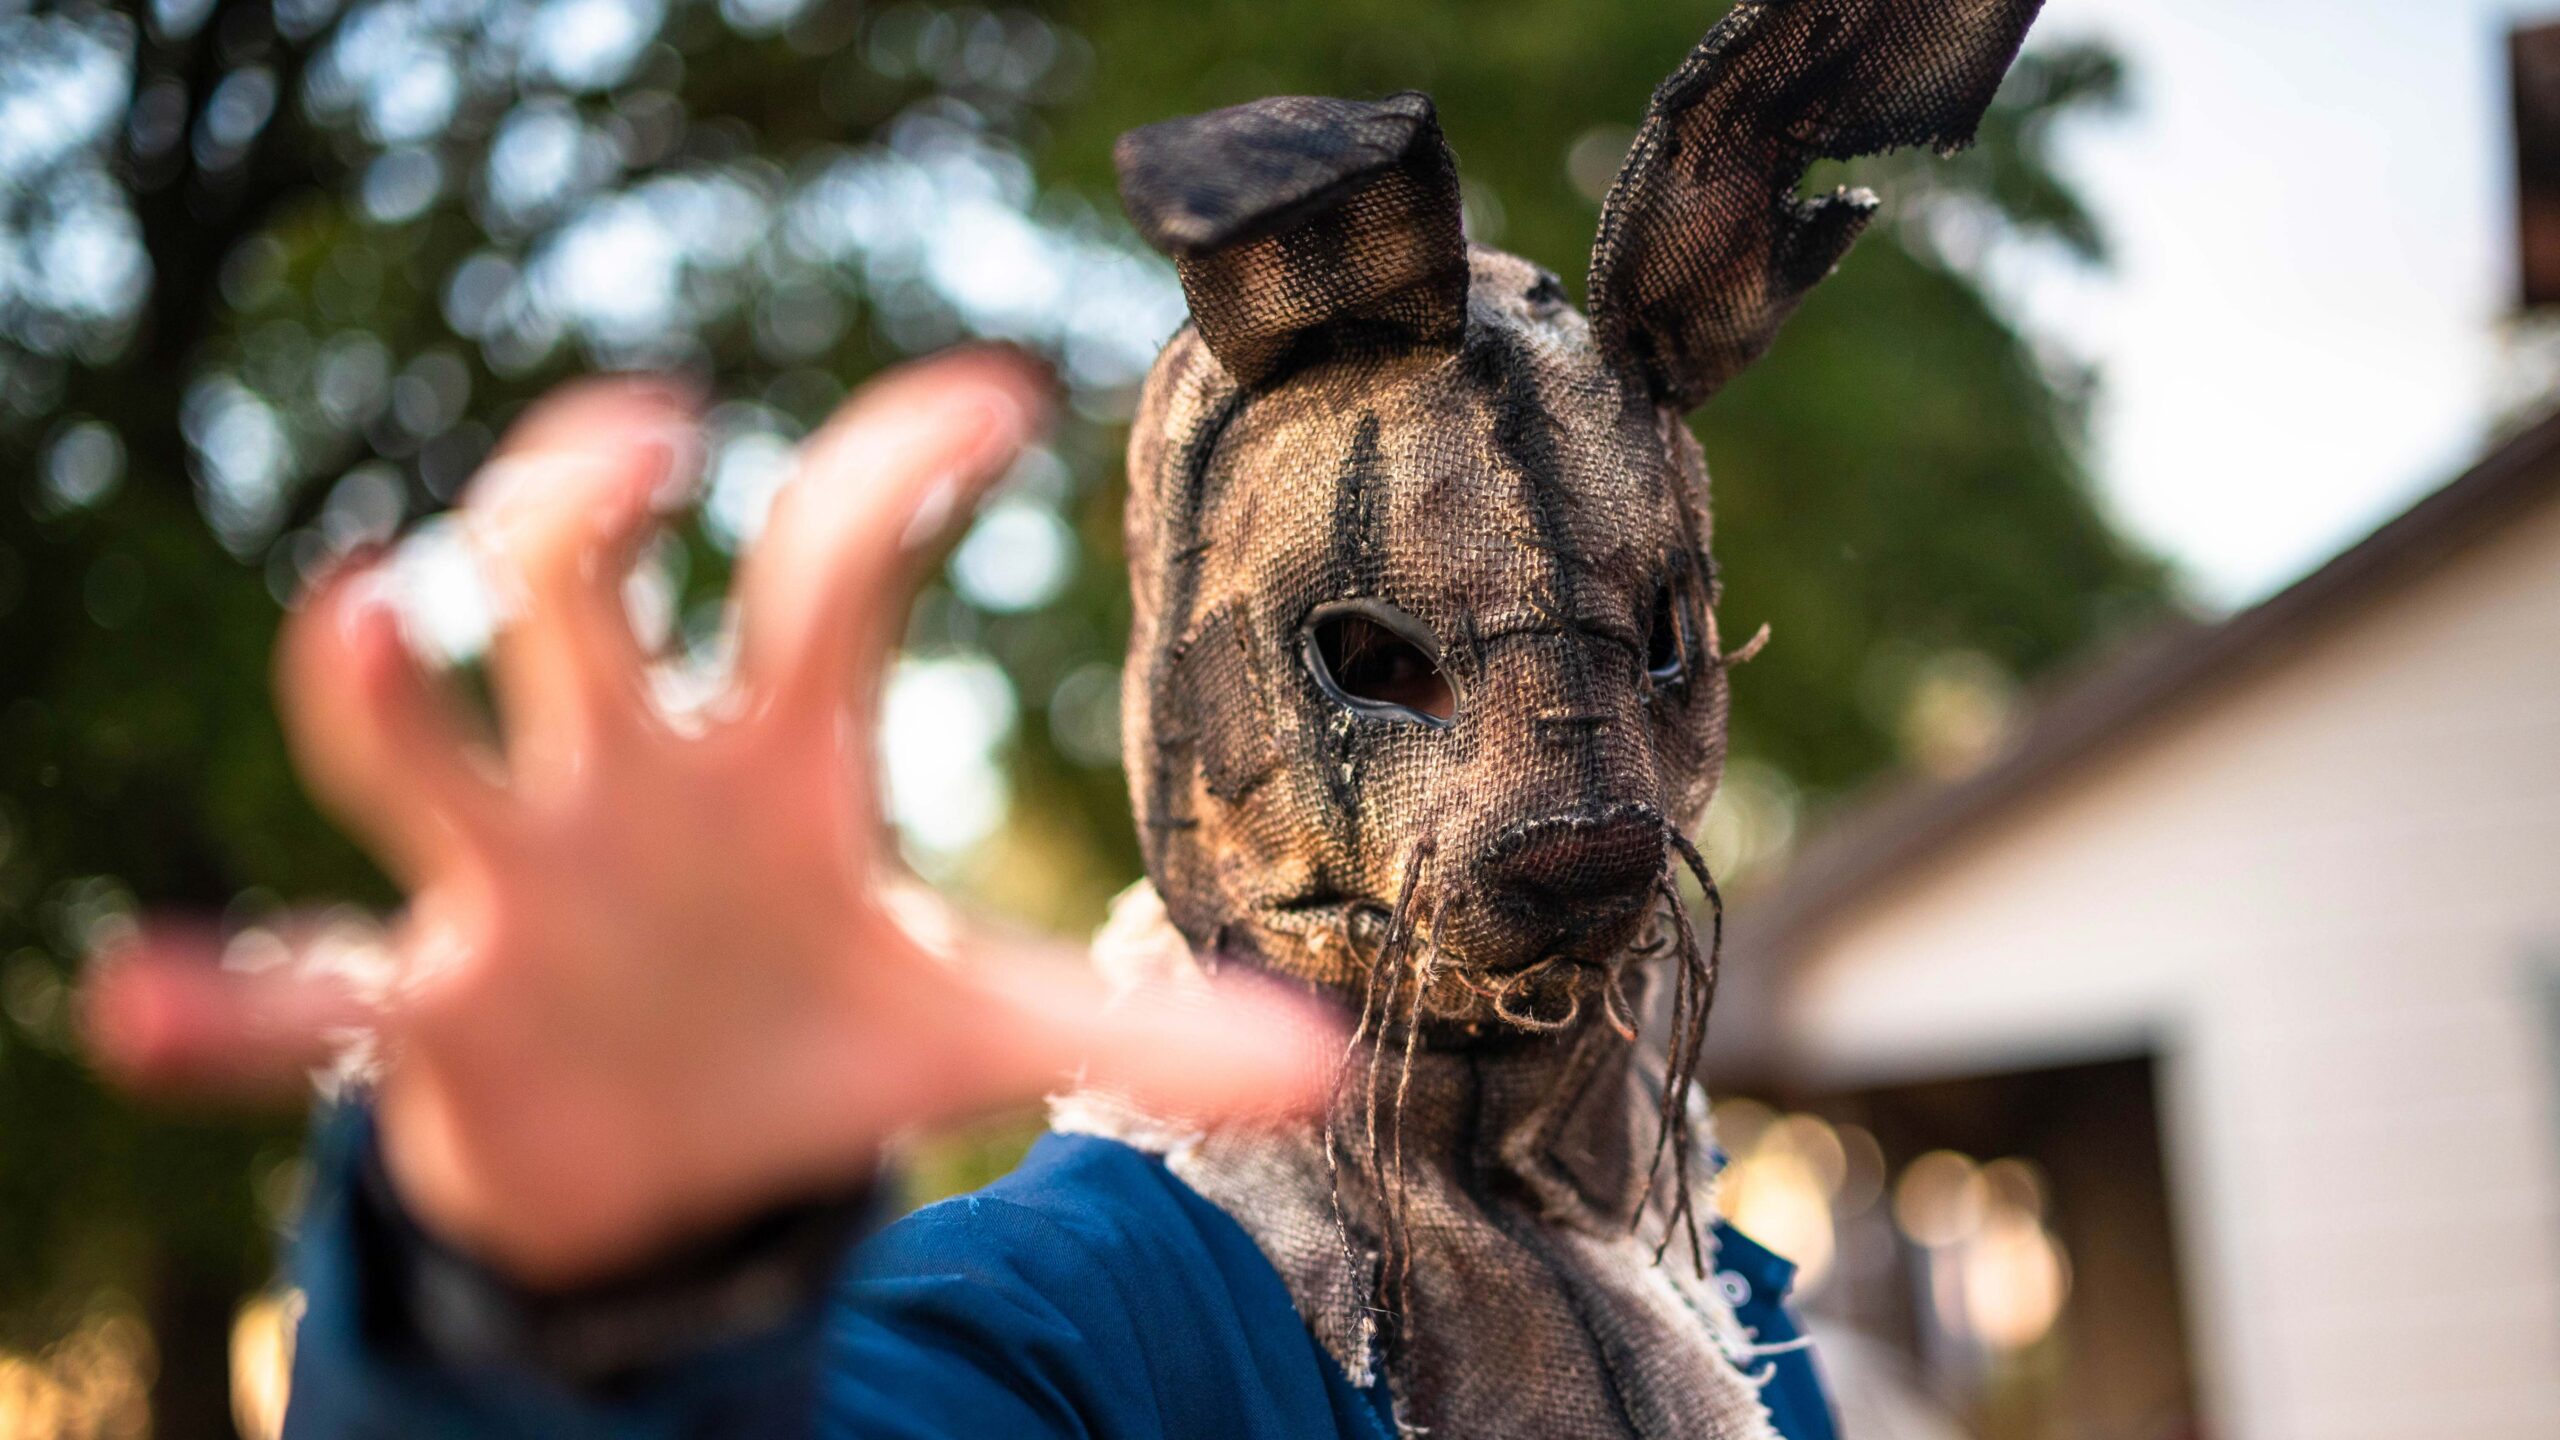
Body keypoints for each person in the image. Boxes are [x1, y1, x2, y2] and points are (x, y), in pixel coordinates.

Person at [86, 2, 2046, 1434]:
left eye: (1653, 650)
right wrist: (575, 1301)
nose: (1585, 797)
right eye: (1382, 662)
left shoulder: (1734, 1317)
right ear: (1199, 693)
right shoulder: (1070, 1329)